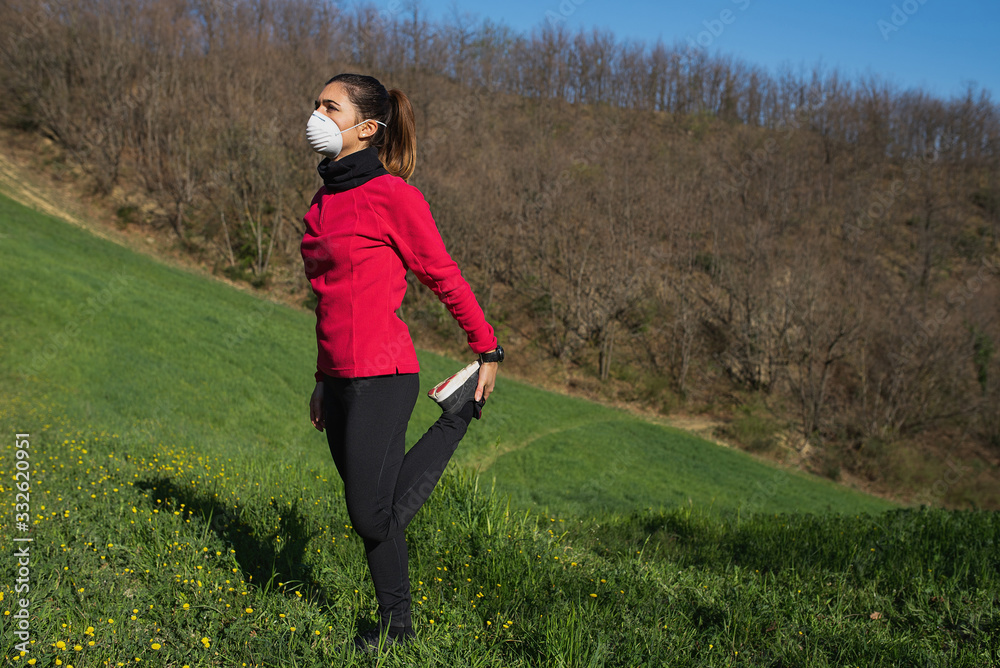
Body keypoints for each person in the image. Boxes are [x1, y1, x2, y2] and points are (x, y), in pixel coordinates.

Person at [299, 73, 505, 652]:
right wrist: (321, 379)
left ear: (367, 128)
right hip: (339, 378)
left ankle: (456, 416)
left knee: (369, 514)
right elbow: (329, 300)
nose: (316, 115)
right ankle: (399, 631)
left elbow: (443, 274)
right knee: (378, 510)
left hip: (382, 375)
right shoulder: (323, 200)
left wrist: (486, 346)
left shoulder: (393, 195)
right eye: (316, 104)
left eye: (330, 107)